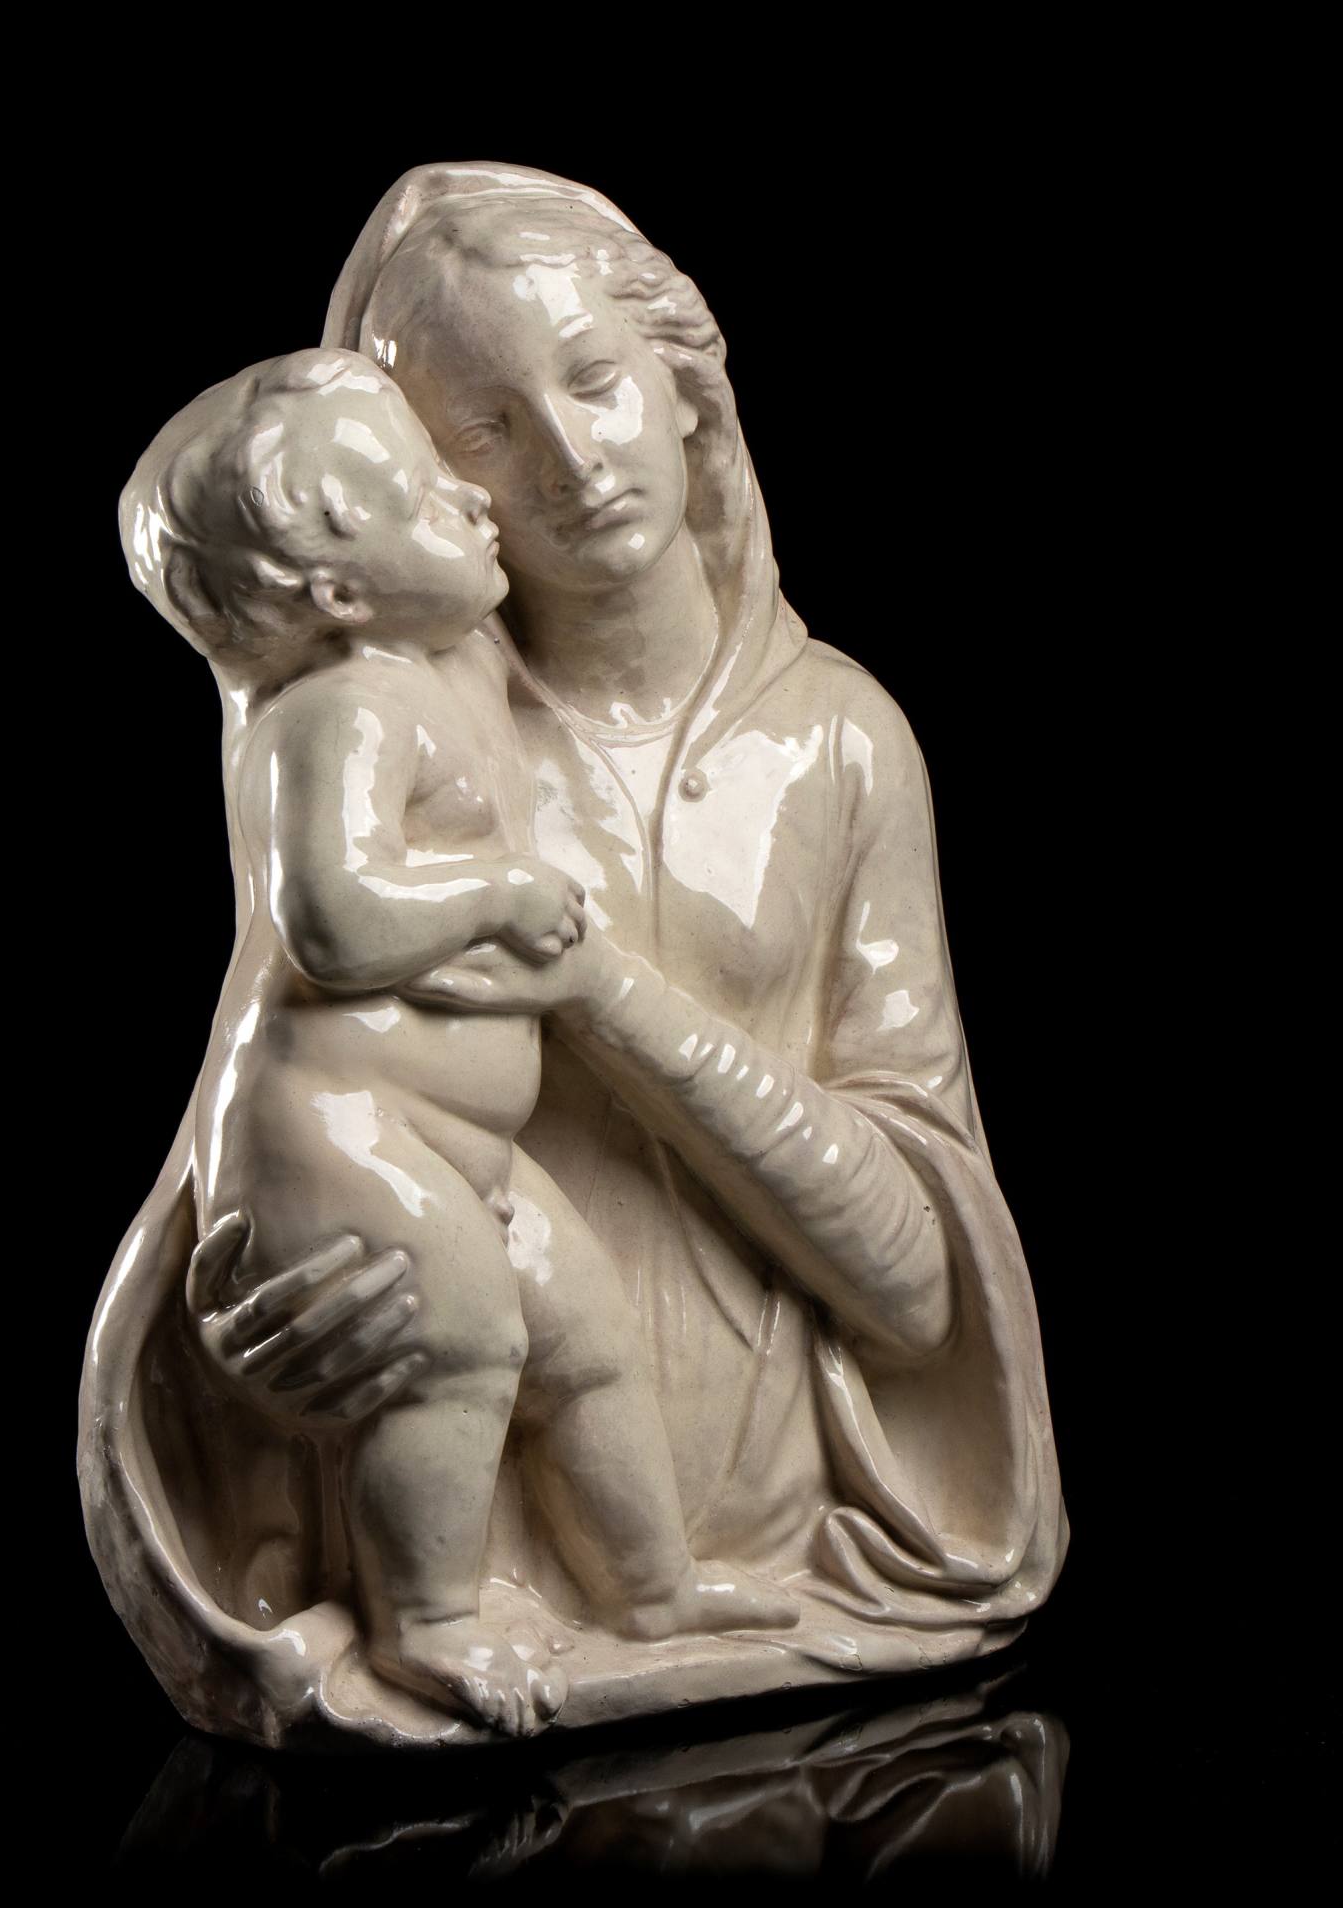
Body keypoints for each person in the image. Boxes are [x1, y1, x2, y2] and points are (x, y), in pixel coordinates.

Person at [79, 164, 1067, 1750]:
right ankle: (446, 1610)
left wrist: (603, 995)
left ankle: (650, 1585)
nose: (565, 459)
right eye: (479, 429)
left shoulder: (836, 746)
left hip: (795, 1550)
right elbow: (269, 1107)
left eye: (594, 378)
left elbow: (915, 1290)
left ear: (685, 384)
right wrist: (239, 1334)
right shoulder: (399, 732)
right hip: (487, 1524)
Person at [111, 347, 794, 1736]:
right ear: (338, 596)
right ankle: (426, 1622)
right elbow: (331, 919)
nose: (478, 502)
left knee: (585, 1338)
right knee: (464, 1348)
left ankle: (652, 1593)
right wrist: (492, 892)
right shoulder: (339, 711)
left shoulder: (451, 657)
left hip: (446, 1144)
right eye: (429, 495)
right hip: (333, 1134)